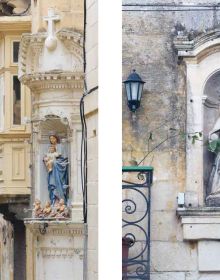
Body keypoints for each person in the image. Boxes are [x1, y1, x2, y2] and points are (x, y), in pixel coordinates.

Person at [43, 134, 69, 206]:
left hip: (58, 168)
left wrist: (55, 162)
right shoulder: (49, 148)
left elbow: (64, 158)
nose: (52, 140)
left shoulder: (60, 146)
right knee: (52, 184)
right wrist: (46, 159)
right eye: (50, 139)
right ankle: (54, 201)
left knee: (59, 184)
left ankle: (61, 200)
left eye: (53, 138)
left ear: (56, 139)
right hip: (52, 170)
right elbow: (46, 156)